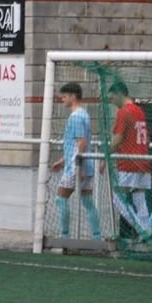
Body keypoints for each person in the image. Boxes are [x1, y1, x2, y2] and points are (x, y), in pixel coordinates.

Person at [50, 82, 101, 240]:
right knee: (87, 200)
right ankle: (96, 237)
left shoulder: (76, 116)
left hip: (77, 166)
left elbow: (81, 142)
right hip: (85, 163)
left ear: (73, 96)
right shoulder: (84, 114)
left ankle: (65, 236)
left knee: (60, 198)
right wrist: (63, 160)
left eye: (64, 96)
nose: (62, 99)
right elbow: (76, 144)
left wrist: (79, 167)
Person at [105, 82, 152, 239]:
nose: (112, 102)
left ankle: (141, 229)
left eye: (112, 98)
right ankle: (146, 231)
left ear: (119, 94)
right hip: (144, 160)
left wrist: (106, 154)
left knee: (117, 198)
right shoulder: (139, 110)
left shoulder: (124, 112)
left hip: (129, 163)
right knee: (139, 198)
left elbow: (118, 138)